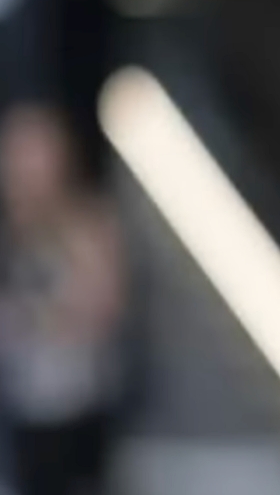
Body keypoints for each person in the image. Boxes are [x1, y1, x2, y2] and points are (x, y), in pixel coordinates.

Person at [0, 104, 126, 495]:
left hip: (78, 412)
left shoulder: (88, 225)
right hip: (15, 410)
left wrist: (36, 314)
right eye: (18, 152)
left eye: (38, 151)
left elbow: (101, 308)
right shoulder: (9, 231)